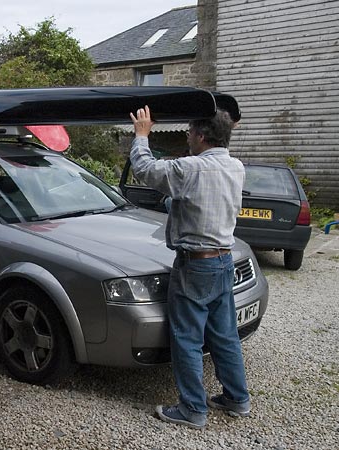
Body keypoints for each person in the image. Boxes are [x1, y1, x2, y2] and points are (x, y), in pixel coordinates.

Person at [129, 105, 250, 429]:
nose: (187, 136)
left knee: (187, 338)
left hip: (195, 266)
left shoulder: (190, 168)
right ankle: (237, 399)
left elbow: (145, 169)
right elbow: (205, 200)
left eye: (189, 131)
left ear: (201, 136)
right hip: (223, 261)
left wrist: (142, 134)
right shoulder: (235, 166)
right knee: (225, 336)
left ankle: (193, 410)